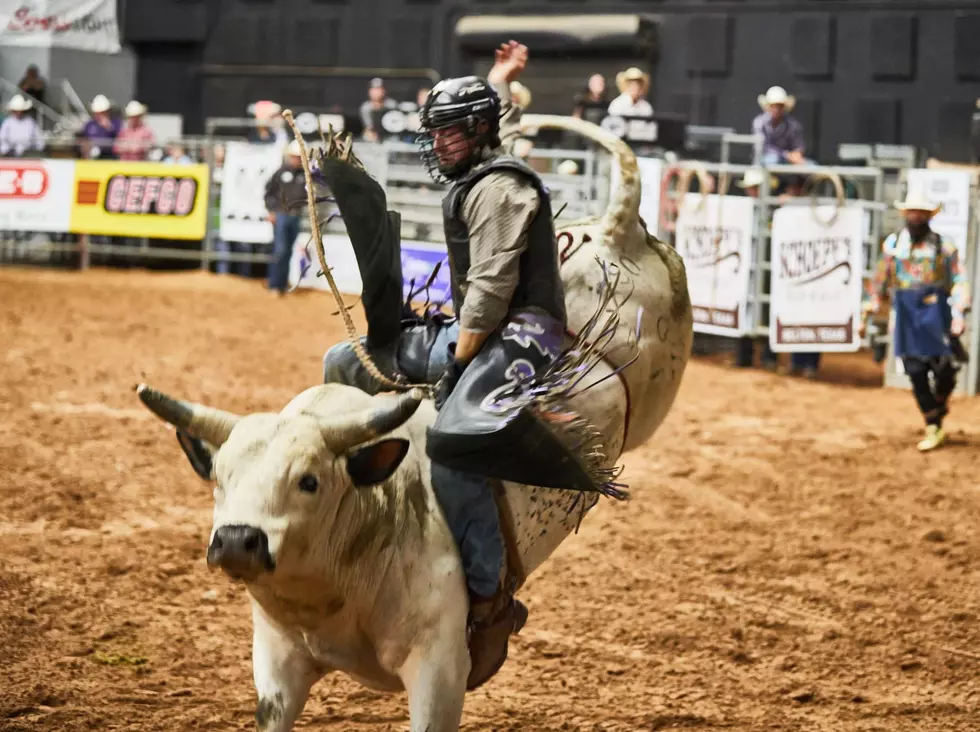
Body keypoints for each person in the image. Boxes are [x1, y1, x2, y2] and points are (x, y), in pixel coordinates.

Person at [317, 40, 589, 688]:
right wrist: (498, 80)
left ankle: (488, 594)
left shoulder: (498, 189)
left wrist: (453, 368)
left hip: (523, 335)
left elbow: (492, 291)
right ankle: (353, 503)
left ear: (476, 132)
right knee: (344, 361)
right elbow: (507, 143)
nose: (436, 144)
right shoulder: (489, 171)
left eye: (447, 133)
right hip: (481, 328)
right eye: (433, 133)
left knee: (455, 441)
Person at [861, 193, 971, 451]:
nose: (916, 216)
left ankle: (939, 404)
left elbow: (958, 279)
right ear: (906, 214)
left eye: (921, 212)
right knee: (915, 371)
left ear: (929, 216)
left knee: (945, 367)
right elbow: (879, 279)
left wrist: (958, 311)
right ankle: (933, 423)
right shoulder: (893, 245)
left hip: (936, 311)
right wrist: (868, 309)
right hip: (906, 313)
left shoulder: (944, 246)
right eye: (912, 212)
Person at [263, 139, 306, 295]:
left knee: (288, 251)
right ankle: (274, 284)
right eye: (295, 156)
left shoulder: (305, 175)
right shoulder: (281, 172)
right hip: (281, 215)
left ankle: (281, 284)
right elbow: (269, 193)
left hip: (296, 216)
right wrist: (272, 211)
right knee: (280, 250)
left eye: (300, 157)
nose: (297, 160)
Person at [752, 86, 806, 166]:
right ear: (768, 107)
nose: (776, 109)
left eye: (779, 106)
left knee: (810, 165)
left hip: (788, 162)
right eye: (773, 106)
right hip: (765, 162)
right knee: (773, 160)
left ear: (784, 107)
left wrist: (797, 154)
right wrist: (786, 155)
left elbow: (798, 145)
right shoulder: (759, 123)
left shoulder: (792, 124)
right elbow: (763, 148)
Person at [80, 95, 120, 159]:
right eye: (98, 113)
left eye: (102, 112)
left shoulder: (116, 122)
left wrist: (109, 127)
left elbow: (119, 137)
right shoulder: (90, 124)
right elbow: (83, 139)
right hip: (92, 157)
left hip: (110, 157)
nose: (100, 115)